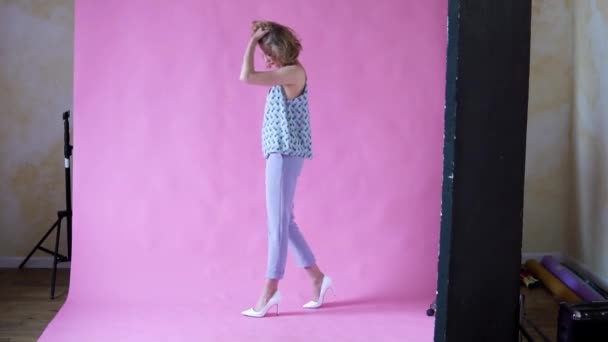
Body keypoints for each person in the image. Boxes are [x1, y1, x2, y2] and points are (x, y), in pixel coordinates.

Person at [239, 20, 333, 318]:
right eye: (263, 52)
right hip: (281, 154)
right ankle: (317, 277)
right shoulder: (287, 73)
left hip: (284, 154)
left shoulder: (292, 72)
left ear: (280, 49)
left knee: (277, 225)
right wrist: (257, 43)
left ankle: (270, 289)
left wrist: (252, 42)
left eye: (268, 52)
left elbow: (246, 76)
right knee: (285, 222)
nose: (266, 58)